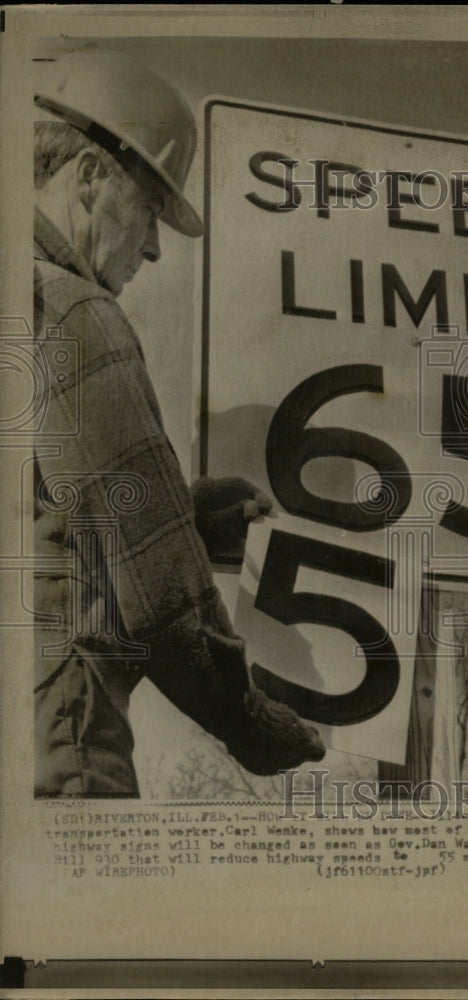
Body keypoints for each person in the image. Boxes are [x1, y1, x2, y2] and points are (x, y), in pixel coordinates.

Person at [32, 49, 325, 797]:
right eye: (152, 208)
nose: (157, 247)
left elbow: (51, 511)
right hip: (58, 737)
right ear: (92, 175)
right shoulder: (72, 307)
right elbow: (157, 594)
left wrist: (181, 511)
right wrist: (251, 723)